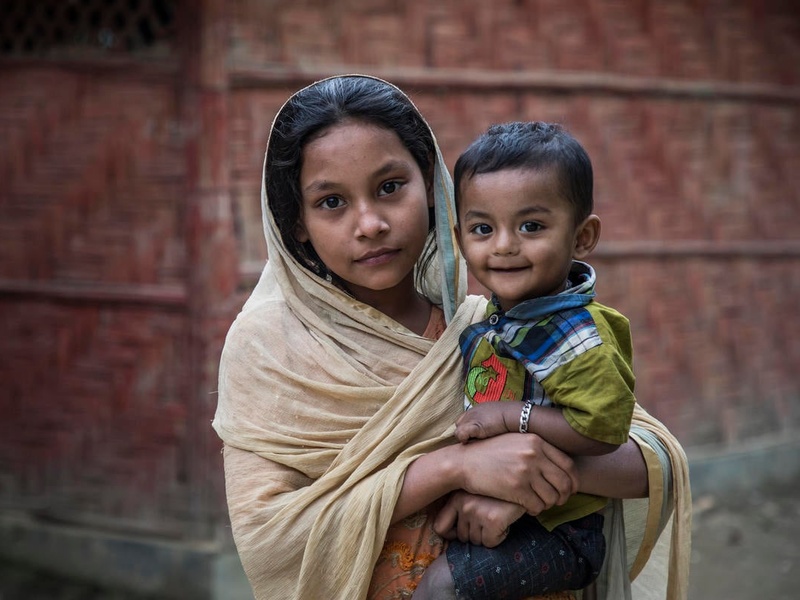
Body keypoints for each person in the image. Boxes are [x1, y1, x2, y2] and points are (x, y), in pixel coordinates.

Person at [211, 75, 691, 600]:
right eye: (331, 202)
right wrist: (453, 467)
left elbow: (653, 462)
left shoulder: (494, 327)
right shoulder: (268, 350)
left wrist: (521, 482)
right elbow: (268, 535)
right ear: (296, 222)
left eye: (390, 187)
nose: (369, 223)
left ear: (433, 187)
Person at [414, 121, 636, 600]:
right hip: (517, 511)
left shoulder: (577, 335)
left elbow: (604, 430)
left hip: (563, 530)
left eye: (531, 226)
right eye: (482, 228)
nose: (504, 245)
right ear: (459, 237)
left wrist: (513, 416)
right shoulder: (498, 318)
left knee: (440, 588)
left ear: (582, 237)